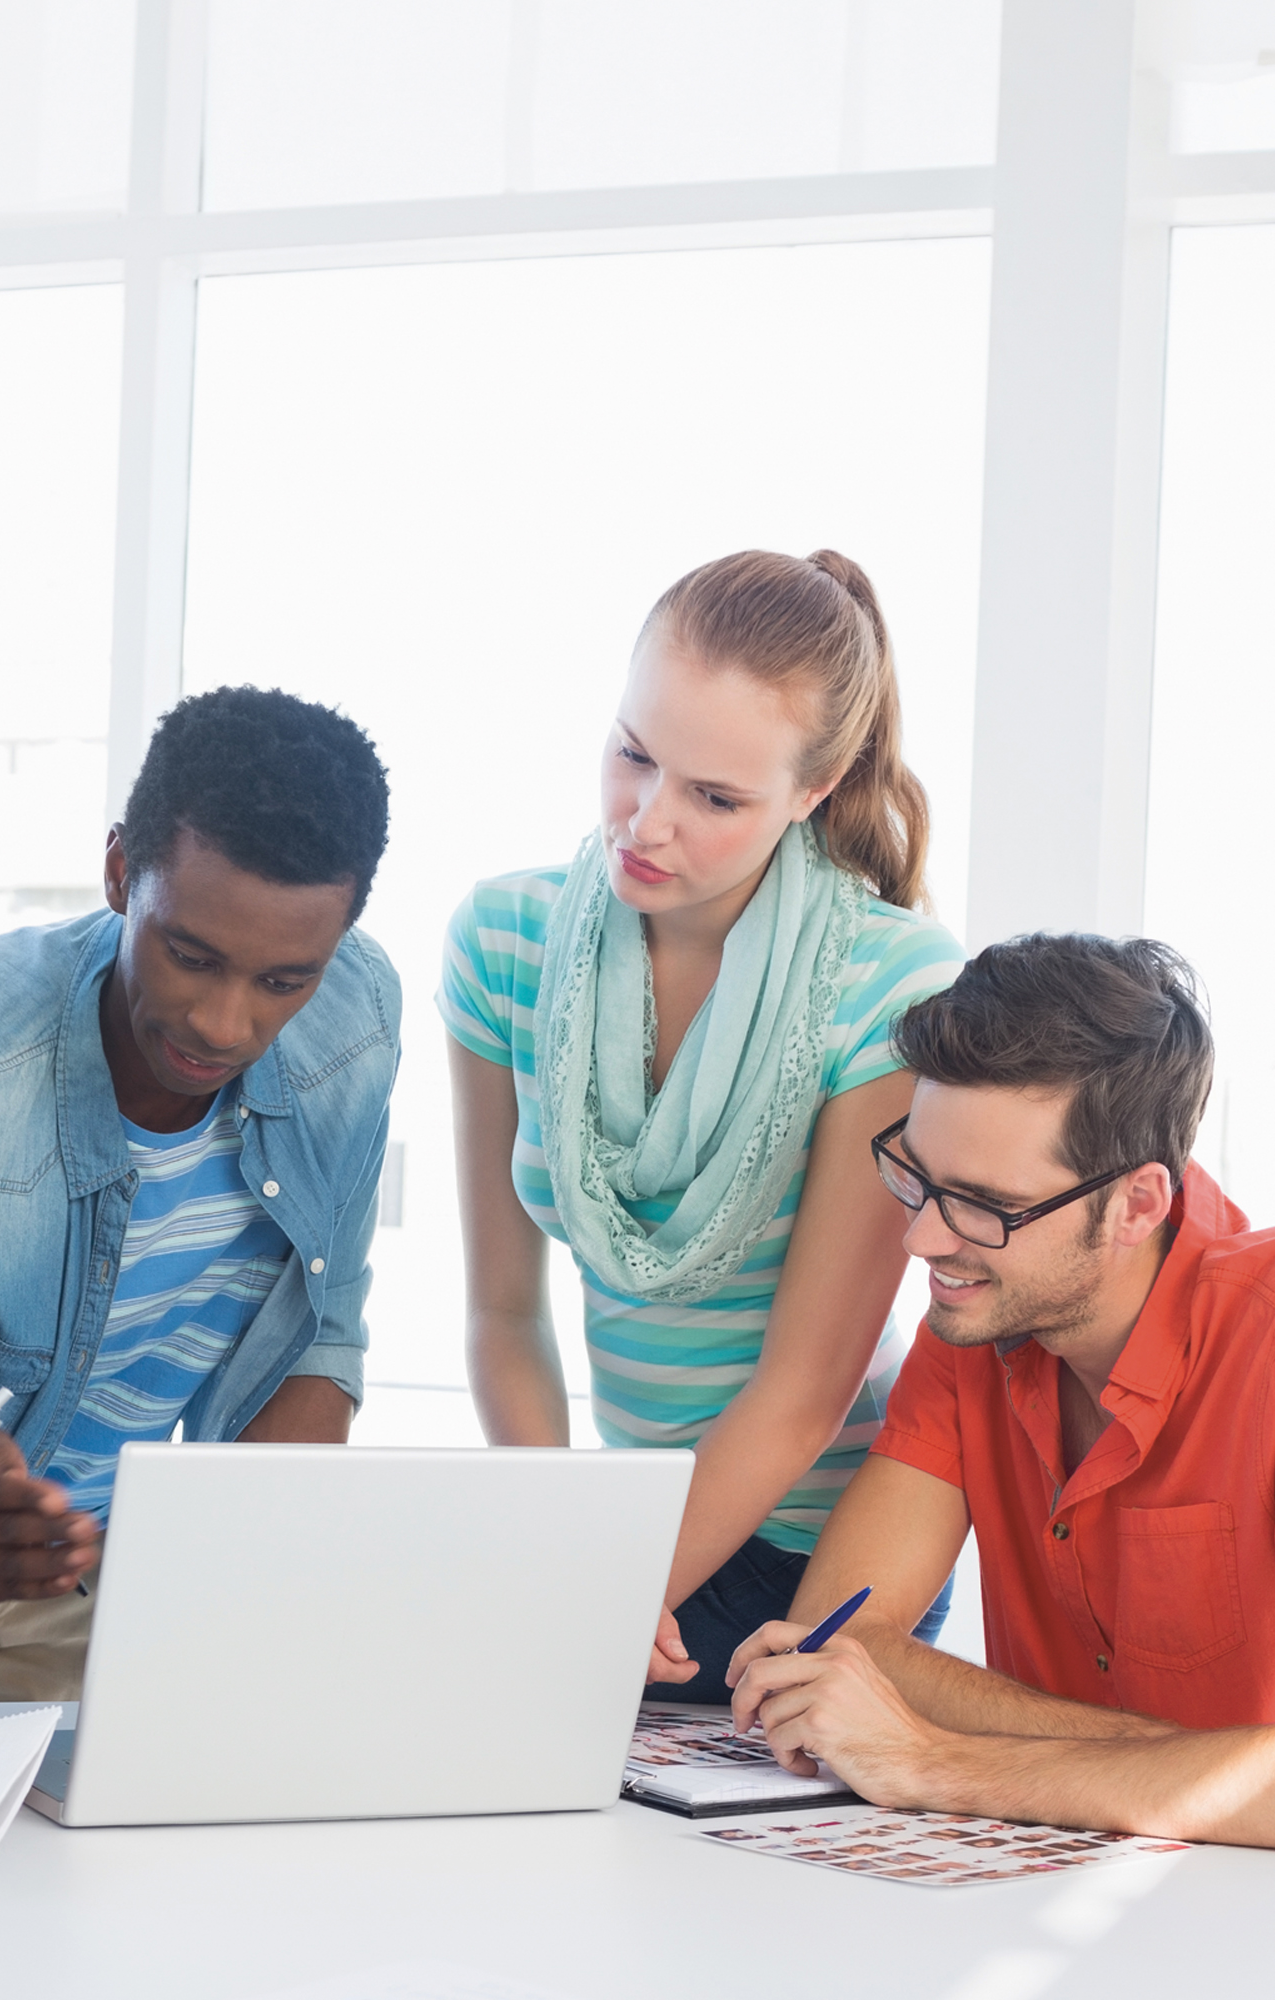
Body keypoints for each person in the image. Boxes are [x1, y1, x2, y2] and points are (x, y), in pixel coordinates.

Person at [0, 686, 398, 1701]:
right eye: (190, 955)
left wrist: (257, 1602)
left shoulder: (356, 1016)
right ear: (116, 873)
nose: (225, 1023)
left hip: (94, 1565)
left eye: (283, 979)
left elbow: (317, 1330)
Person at [442, 550, 963, 1702]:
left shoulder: (890, 982)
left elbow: (807, 1383)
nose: (646, 820)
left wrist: (613, 1589)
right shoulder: (503, 940)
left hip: (807, 1547)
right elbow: (498, 1308)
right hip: (623, 1530)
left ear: (811, 792)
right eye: (632, 753)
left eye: (715, 797)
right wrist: (562, 1557)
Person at [727, 935, 1275, 1846]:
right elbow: (838, 1636)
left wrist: (934, 1760)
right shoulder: (982, 1315)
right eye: (918, 1177)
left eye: (984, 1204)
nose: (923, 1243)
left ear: (1138, 1204)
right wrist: (1198, 1766)